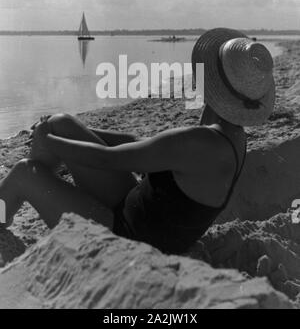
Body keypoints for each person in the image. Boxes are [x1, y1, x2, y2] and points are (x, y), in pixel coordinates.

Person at [0, 28, 275, 254]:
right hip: (137, 213)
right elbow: (141, 143)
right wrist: (60, 130)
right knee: (61, 122)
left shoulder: (200, 143)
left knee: (26, 172)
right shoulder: (230, 134)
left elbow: (108, 159)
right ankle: (27, 206)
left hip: (126, 243)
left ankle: (10, 209)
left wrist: (47, 138)